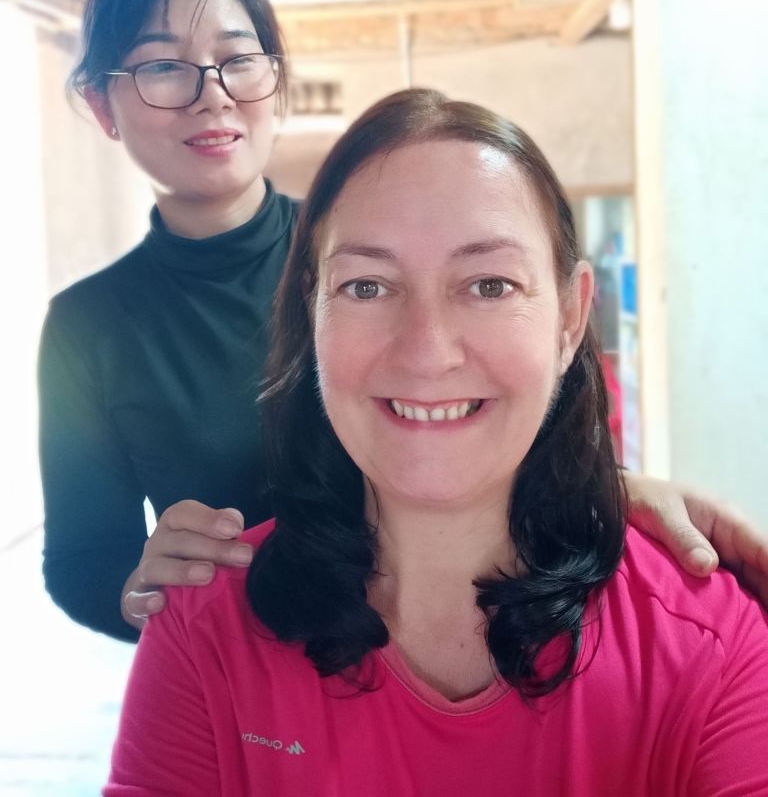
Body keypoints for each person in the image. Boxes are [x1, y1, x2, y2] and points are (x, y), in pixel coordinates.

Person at [39, 0, 768, 644]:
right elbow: (81, 559)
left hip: (471, 639)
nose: (213, 94)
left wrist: (611, 493)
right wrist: (139, 589)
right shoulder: (86, 327)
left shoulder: (378, 239)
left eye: (238, 60)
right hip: (255, 663)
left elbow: (498, 404)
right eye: (165, 67)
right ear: (103, 105)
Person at [104, 89, 768, 795]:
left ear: (571, 317)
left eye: (490, 285)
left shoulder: (707, 641)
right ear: (312, 310)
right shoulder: (204, 628)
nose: (426, 352)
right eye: (367, 287)